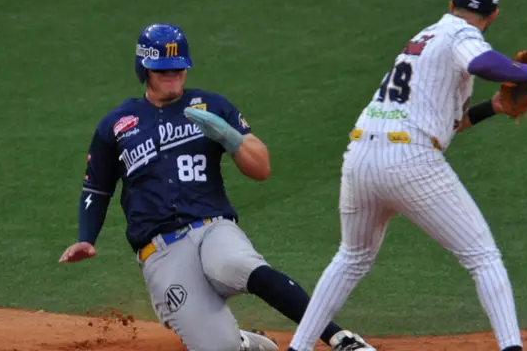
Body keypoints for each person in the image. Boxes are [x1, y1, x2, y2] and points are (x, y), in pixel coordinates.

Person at [286, 0, 527, 351]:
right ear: (494, 15)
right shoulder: (461, 34)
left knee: (352, 258)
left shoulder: (424, 39)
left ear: (451, 4)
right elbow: (482, 63)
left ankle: (298, 348)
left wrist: (493, 107)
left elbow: (449, 122)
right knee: (483, 257)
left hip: (361, 156)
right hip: (408, 161)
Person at [58, 23, 375, 351]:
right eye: (164, 71)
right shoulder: (116, 124)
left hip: (213, 228)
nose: (173, 76)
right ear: (145, 70)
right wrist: (86, 237)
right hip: (161, 251)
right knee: (219, 347)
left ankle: (339, 338)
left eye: (179, 68)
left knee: (239, 265)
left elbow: (261, 168)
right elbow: (96, 188)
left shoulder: (210, 106)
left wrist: (229, 137)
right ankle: (245, 343)